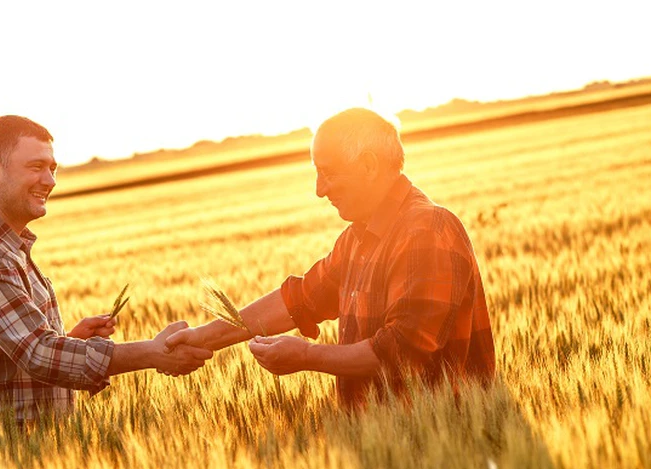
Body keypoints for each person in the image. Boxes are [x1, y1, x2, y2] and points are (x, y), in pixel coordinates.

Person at [168, 108, 495, 408]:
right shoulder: (357, 239)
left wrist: (308, 356)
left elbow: (402, 351)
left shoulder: (426, 230)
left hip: (433, 447)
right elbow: (300, 299)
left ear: (368, 165)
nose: (319, 190)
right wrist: (204, 337)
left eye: (328, 173)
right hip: (383, 447)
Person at [0, 115, 212, 425]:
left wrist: (70, 340)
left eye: (52, 169)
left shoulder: (4, 248)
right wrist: (152, 353)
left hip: (32, 452)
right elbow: (39, 354)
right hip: (3, 456)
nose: (51, 181)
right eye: (36, 167)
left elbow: (16, 353)